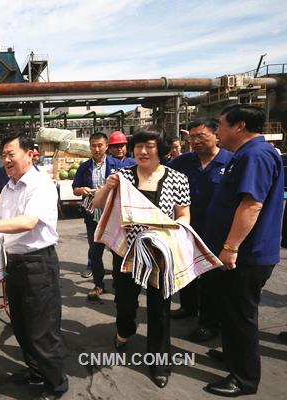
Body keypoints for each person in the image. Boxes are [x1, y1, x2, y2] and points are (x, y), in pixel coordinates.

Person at [0, 133, 68, 400]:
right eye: (4, 155)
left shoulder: (40, 184)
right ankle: (35, 373)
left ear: (29, 153)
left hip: (38, 265)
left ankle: (56, 385)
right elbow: (2, 220)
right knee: (21, 326)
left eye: (11, 153)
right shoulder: (9, 187)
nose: (6, 159)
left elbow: (27, 222)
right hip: (17, 265)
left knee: (42, 330)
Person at [93, 127, 191, 388]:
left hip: (161, 253)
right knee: (125, 302)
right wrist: (107, 186)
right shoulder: (123, 175)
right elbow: (99, 204)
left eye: (149, 146)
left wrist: (175, 234)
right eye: (138, 146)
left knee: (160, 309)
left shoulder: (178, 178)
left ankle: (159, 361)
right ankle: (125, 330)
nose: (143, 151)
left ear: (161, 149)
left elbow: (184, 215)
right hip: (127, 251)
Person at [202, 105, 283, 397]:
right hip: (241, 253)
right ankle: (235, 354)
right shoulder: (246, 155)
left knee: (240, 314)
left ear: (239, 126)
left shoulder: (256, 155)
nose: (218, 131)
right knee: (231, 310)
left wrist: (230, 247)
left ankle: (244, 378)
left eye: (221, 125)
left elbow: (251, 205)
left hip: (247, 255)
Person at [167, 117, 232, 344]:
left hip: (217, 234)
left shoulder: (231, 162)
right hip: (187, 230)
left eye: (200, 136)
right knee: (187, 274)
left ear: (216, 135)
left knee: (211, 282)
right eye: (191, 137)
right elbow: (159, 175)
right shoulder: (183, 162)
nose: (195, 141)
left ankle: (209, 324)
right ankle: (187, 307)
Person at [72, 132, 121, 297]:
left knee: (117, 250)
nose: (97, 148)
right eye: (93, 145)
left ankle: (118, 281)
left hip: (113, 215)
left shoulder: (118, 165)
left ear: (106, 146)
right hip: (92, 216)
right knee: (95, 252)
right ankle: (99, 284)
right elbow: (75, 188)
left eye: (100, 145)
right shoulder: (84, 167)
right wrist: (81, 190)